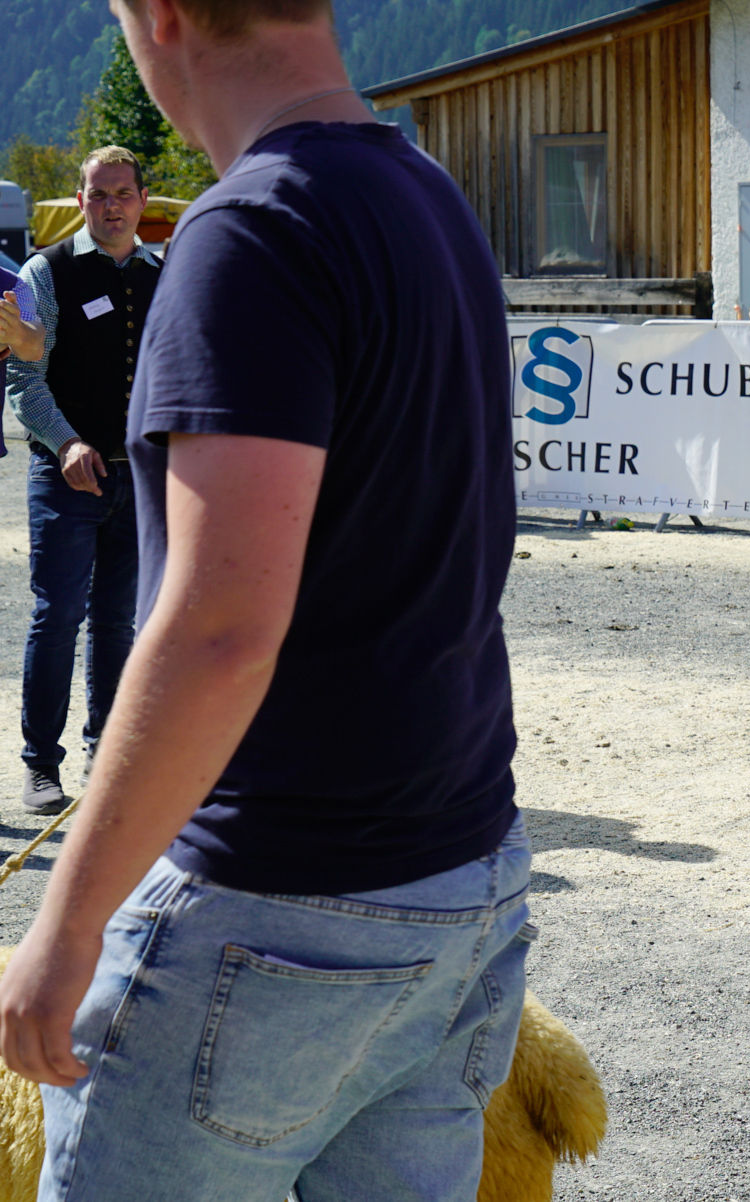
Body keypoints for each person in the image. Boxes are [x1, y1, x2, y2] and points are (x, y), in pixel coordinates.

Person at [0, 3, 528, 1199]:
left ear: (163, 17)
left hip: (280, 897)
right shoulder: (430, 194)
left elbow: (222, 629)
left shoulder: (251, 226)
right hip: (464, 867)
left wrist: (67, 920)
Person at [4, 146, 160, 817]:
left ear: (142, 201)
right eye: (99, 194)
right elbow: (23, 377)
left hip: (140, 480)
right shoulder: (47, 271)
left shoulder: (167, 273)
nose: (112, 205)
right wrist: (65, 442)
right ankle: (42, 764)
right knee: (58, 617)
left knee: (118, 623)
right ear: (79, 201)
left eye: (123, 193)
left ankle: (108, 751)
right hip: (65, 477)